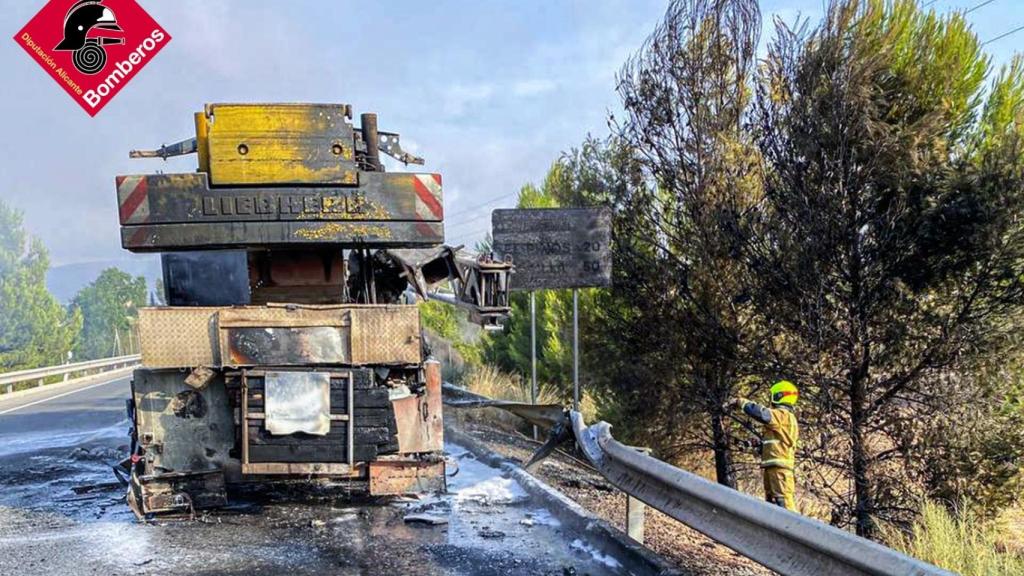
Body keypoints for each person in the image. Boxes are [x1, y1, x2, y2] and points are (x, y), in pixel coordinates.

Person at [724, 380, 799, 511]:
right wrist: (759, 445)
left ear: (779, 396)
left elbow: (762, 414)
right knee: (773, 505)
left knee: (785, 505)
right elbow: (777, 442)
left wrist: (741, 402)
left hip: (780, 470)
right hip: (773, 468)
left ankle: (795, 530)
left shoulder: (783, 415)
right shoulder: (782, 419)